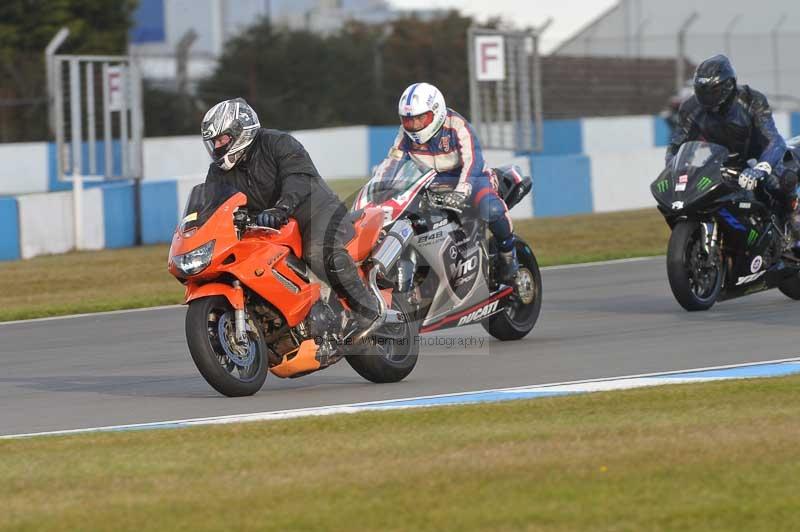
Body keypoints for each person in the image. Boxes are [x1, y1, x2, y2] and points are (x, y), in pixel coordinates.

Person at [200, 97, 380, 329]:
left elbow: (298, 177)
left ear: (240, 131)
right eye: (213, 142)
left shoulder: (278, 142)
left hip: (312, 210)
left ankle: (366, 308)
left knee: (317, 252)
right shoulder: (217, 173)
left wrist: (281, 208)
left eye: (221, 139)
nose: (217, 147)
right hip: (265, 226)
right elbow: (211, 204)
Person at [389, 82, 519, 282]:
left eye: (420, 118)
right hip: (430, 183)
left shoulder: (457, 125)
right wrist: (381, 189)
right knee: (404, 219)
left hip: (472, 178)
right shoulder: (404, 135)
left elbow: (473, 159)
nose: (414, 126)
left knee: (489, 208)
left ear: (436, 111)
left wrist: (462, 189)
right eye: (408, 121)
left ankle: (508, 254)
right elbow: (393, 162)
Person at [667, 54, 800, 249]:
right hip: (722, 161)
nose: (706, 96)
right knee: (699, 193)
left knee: (779, 182)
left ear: (728, 86)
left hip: (760, 157)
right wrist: (675, 169)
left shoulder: (751, 100)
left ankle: (793, 219)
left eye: (711, 90)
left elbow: (773, 140)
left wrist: (761, 168)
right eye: (702, 90)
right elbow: (676, 145)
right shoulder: (690, 108)